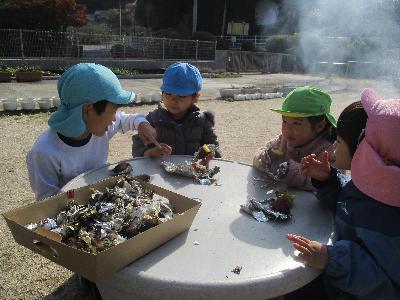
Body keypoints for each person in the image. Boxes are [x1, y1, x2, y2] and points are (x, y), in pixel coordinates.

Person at [287, 88, 400, 299]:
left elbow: (387, 286)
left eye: (338, 141)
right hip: (335, 275)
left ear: (366, 151)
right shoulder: (369, 185)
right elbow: (349, 204)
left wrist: (331, 258)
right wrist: (328, 182)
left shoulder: (388, 217)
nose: (333, 148)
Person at [27, 63, 159, 201]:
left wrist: (142, 124)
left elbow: (127, 119)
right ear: (88, 110)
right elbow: (45, 201)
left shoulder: (97, 125)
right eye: (114, 109)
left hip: (100, 198)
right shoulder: (44, 152)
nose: (115, 117)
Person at [253, 86, 336, 191]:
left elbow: (332, 183)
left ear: (319, 126)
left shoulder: (328, 152)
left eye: (296, 123)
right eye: (285, 121)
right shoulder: (283, 140)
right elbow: (259, 155)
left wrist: (288, 169)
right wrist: (264, 158)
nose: (287, 130)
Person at [132, 62, 221, 158]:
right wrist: (152, 152)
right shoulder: (152, 119)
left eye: (181, 96)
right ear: (162, 93)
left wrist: (209, 153)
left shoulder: (203, 120)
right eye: (168, 93)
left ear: (195, 97)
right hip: (159, 171)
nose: (173, 100)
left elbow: (214, 148)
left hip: (194, 171)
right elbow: (138, 149)